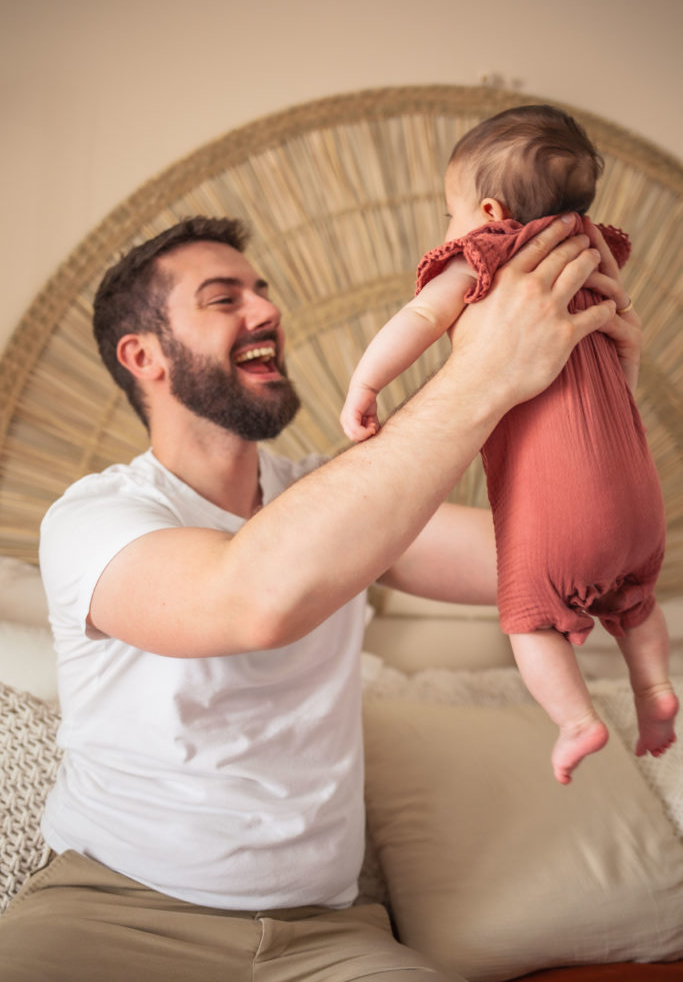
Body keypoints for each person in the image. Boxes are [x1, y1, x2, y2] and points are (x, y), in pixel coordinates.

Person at [0, 207, 636, 982]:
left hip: (328, 943)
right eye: (223, 298)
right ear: (144, 355)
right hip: (111, 917)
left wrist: (597, 407)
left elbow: (578, 563)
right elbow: (249, 600)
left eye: (260, 291)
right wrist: (480, 372)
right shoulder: (94, 516)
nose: (266, 310)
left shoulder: (335, 502)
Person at [341, 104, 677, 786]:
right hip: (641, 504)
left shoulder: (492, 258)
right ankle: (653, 692)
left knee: (528, 617)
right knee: (633, 599)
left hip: (564, 514)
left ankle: (576, 721)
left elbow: (420, 317)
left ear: (489, 211)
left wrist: (366, 385)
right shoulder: (587, 255)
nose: (448, 228)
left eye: (448, 212)